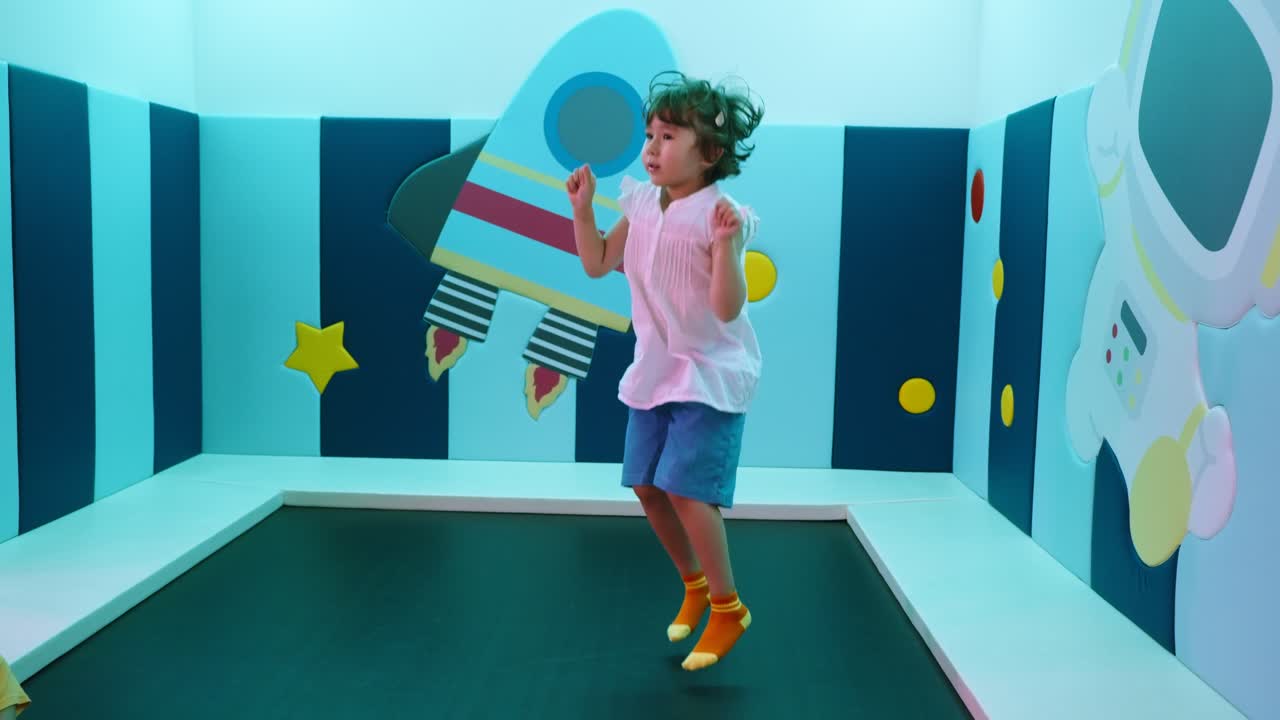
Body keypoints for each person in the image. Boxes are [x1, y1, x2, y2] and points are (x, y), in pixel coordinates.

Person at [566, 70, 764, 671]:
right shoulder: (641, 203)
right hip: (655, 370)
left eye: (669, 136)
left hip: (708, 372)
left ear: (711, 154)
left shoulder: (721, 215)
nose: (652, 147)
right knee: (647, 485)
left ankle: (729, 608)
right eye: (650, 135)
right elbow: (599, 261)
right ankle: (695, 585)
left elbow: (727, 308)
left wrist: (728, 249)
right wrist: (581, 210)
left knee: (686, 487)